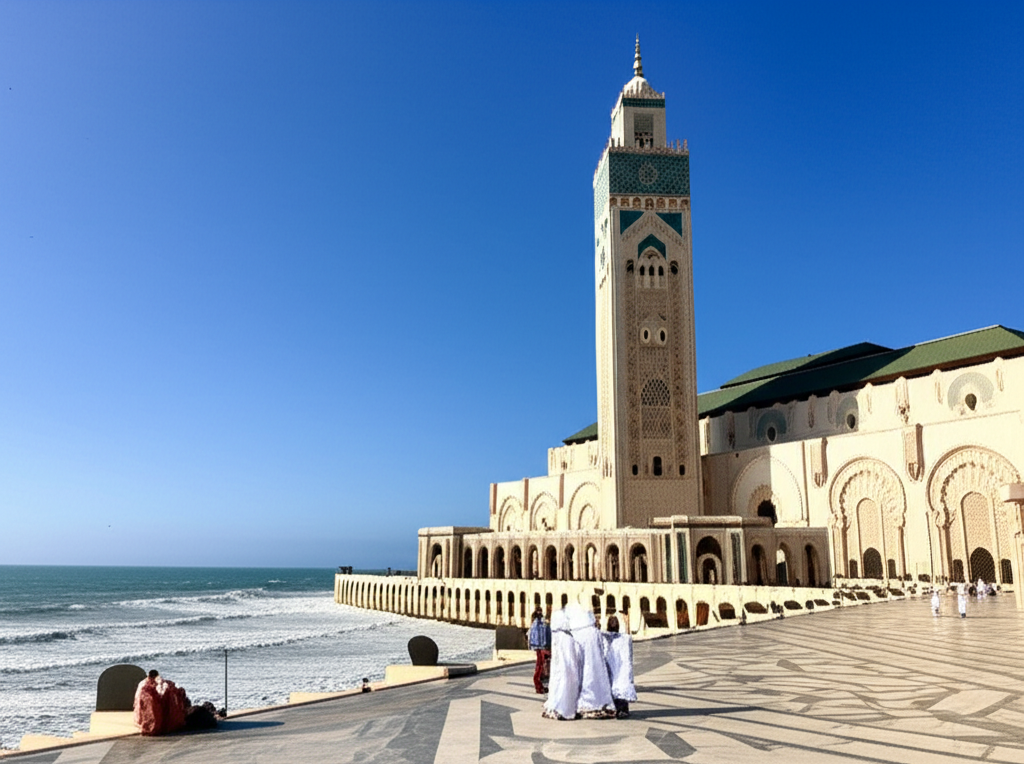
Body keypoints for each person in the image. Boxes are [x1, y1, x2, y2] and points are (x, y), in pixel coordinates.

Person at [566, 603, 615, 719]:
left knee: (584, 682)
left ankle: (584, 704)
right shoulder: (595, 632)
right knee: (597, 683)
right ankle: (599, 704)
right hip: (597, 664)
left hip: (583, 663)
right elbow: (602, 647)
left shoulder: (578, 632)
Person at [542, 606, 582, 720]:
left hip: (562, 670)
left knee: (559, 682)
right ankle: (565, 709)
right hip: (568, 670)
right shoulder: (566, 637)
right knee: (567, 684)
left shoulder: (558, 636)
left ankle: (561, 707)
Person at [602, 616, 637, 719]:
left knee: (611, 686)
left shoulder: (604, 638)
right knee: (622, 686)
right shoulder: (625, 639)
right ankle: (622, 709)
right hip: (622, 669)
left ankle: (612, 709)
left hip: (610, 668)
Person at [528, 609, 552, 695]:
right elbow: (546, 636)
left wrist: (532, 646)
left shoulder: (534, 624)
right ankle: (541, 687)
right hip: (543, 648)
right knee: (543, 668)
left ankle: (540, 687)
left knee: (539, 667)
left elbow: (531, 637)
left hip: (539, 648)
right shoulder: (543, 624)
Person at [134, 670, 164, 735]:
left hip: (142, 701)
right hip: (151, 702)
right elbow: (160, 693)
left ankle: (146, 729)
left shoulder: (142, 683)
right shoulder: (157, 683)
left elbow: (137, 695)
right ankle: (152, 729)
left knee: (144, 716)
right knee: (152, 716)